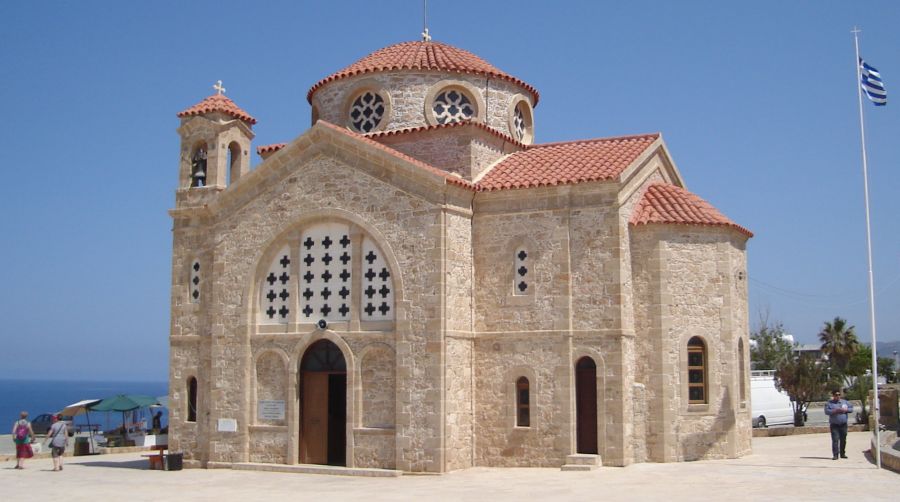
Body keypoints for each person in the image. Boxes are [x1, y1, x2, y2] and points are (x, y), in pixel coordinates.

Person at [824, 389, 853, 460]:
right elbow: (827, 411)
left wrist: (845, 410)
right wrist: (835, 411)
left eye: (839, 395)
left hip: (843, 424)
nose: (838, 396)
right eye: (836, 395)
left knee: (843, 439)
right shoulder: (829, 403)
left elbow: (851, 409)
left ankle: (842, 454)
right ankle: (835, 455)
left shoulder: (845, 402)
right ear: (833, 396)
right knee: (835, 440)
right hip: (834, 425)